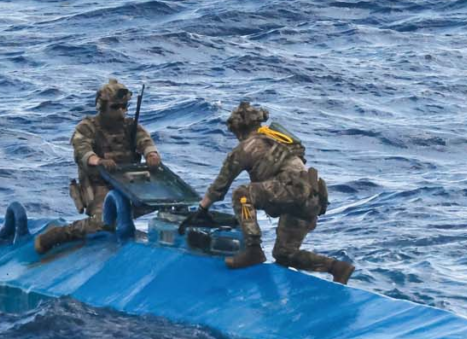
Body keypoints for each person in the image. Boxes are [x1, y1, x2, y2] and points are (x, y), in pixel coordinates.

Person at [188, 101, 354, 284]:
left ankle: (253, 250)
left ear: (238, 130)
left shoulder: (245, 147)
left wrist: (202, 209)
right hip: (311, 198)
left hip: (291, 192)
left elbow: (219, 187)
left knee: (242, 194)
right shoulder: (279, 139)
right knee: (284, 254)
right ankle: (337, 268)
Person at [35, 79, 162, 254]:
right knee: (102, 222)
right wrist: (99, 161)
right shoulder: (87, 128)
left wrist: (151, 154)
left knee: (167, 203)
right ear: (102, 106)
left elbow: (144, 141)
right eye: (115, 107)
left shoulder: (130, 126)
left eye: (124, 107)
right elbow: (83, 151)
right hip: (99, 185)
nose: (121, 112)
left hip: (129, 183)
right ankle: (57, 235)